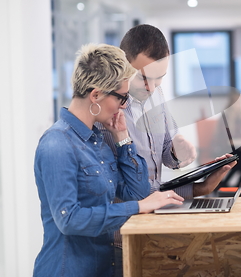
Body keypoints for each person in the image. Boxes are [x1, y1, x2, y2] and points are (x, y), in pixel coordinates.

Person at [33, 44, 184, 277]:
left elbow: (137, 193)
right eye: (122, 98)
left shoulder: (99, 140)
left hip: (104, 267)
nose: (124, 106)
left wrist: (123, 138)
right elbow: (69, 220)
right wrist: (138, 208)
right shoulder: (57, 144)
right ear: (96, 95)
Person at [99, 25, 238, 276]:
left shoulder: (157, 94)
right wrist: (195, 190)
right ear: (123, 65)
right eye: (143, 77)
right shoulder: (109, 111)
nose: (151, 87)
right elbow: (127, 188)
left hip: (153, 222)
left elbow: (166, 152)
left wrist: (178, 152)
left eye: (159, 77)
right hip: (121, 236)